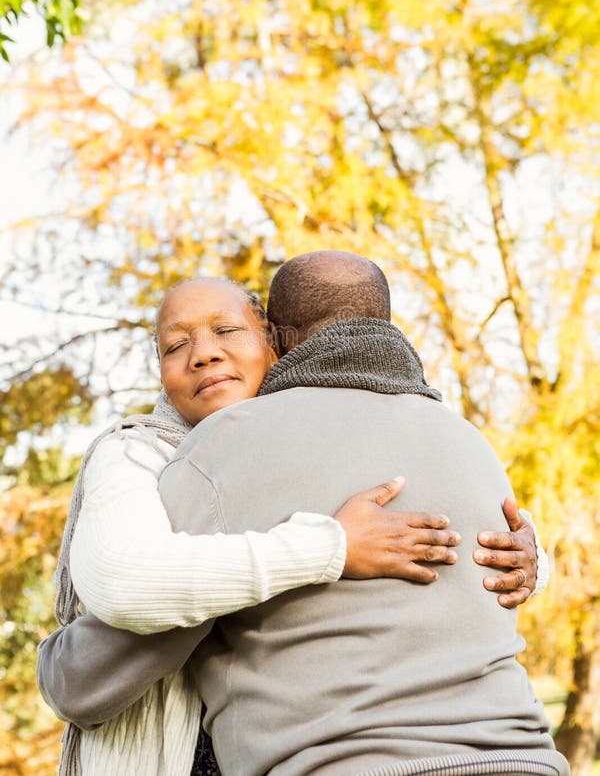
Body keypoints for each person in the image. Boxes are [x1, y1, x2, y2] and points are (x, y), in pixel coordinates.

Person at [37, 271, 548, 776]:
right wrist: (332, 548)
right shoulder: (140, 453)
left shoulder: (286, 446)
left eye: (227, 330)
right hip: (182, 750)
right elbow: (115, 614)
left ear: (276, 342)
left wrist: (532, 561)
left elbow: (475, 539)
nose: (203, 354)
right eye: (174, 346)